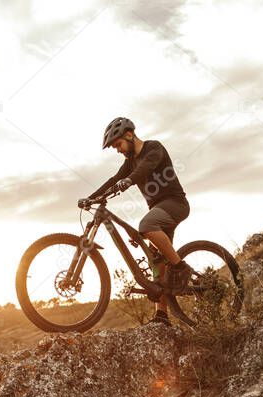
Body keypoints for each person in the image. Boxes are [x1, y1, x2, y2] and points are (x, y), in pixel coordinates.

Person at [79, 117, 193, 326]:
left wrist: (129, 180)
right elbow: (113, 180)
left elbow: (146, 168)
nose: (118, 150)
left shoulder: (154, 148)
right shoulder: (129, 162)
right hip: (159, 212)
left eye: (118, 144)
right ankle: (162, 316)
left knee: (146, 226)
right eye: (115, 147)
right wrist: (91, 197)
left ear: (129, 135)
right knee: (156, 261)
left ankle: (181, 267)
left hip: (176, 204)